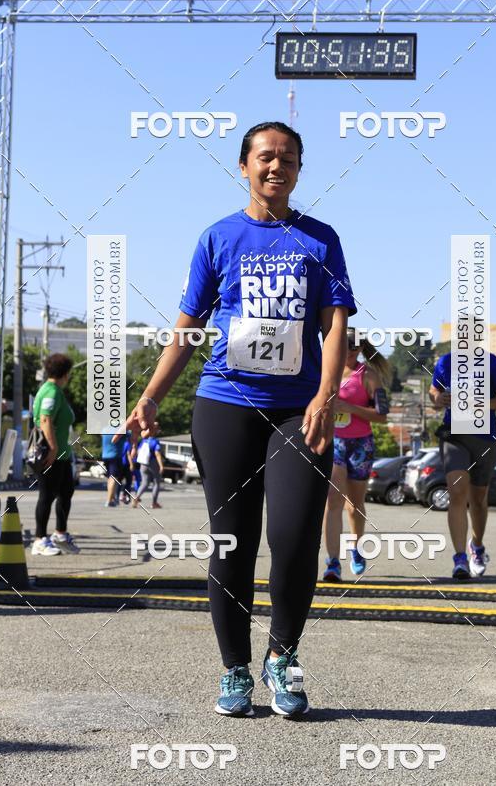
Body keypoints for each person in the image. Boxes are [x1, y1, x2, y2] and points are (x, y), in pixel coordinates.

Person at [119, 121, 355, 719]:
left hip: (297, 410)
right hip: (225, 403)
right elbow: (186, 328)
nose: (278, 167)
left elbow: (335, 326)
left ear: (300, 170)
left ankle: (282, 658)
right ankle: (234, 670)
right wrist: (148, 397)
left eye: (289, 159)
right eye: (266, 157)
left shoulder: (321, 239)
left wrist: (325, 395)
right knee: (232, 539)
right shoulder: (217, 238)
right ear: (244, 166)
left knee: (294, 537)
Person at [429, 351, 496, 579]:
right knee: (457, 493)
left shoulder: (491, 361)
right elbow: (434, 390)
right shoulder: (446, 361)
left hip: (484, 437)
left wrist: (482, 403)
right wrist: (437, 399)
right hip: (453, 435)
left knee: (478, 500)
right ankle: (459, 559)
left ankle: (476, 546)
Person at [323, 327, 391, 582]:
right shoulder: (324, 369)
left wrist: (349, 407)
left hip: (360, 445)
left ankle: (356, 547)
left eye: (353, 347)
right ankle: (332, 562)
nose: (348, 351)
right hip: (334, 442)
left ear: (361, 349)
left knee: (355, 506)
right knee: (333, 501)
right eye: (343, 345)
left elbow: (382, 416)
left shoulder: (368, 376)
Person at [31, 353, 80, 556]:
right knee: (47, 496)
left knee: (66, 492)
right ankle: (39, 540)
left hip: (62, 456)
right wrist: (52, 448)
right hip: (52, 455)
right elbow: (45, 419)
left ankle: (60, 534)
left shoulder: (56, 391)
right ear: (65, 374)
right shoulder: (51, 392)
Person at [133, 423, 164, 509]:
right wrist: (161, 466)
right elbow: (157, 454)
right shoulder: (155, 441)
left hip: (143, 463)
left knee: (144, 483)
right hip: (153, 463)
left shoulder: (143, 441)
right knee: (156, 482)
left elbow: (139, 451)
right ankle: (154, 503)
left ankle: (136, 498)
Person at [101, 433, 125, 507]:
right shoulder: (121, 429)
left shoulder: (105, 429)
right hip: (115, 456)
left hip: (105, 455)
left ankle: (111, 498)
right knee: (113, 478)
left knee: (110, 478)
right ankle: (109, 500)